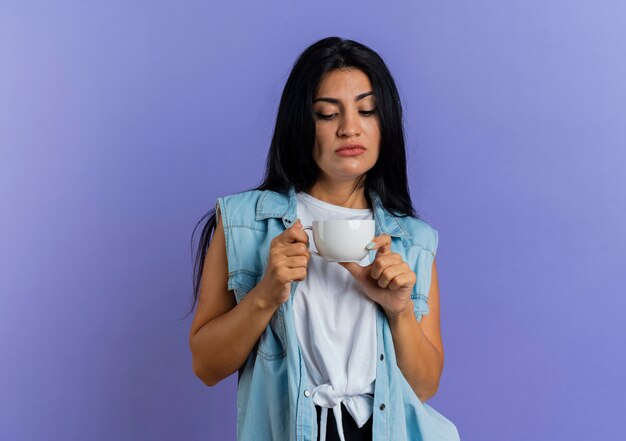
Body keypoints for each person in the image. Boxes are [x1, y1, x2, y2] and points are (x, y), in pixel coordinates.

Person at [188, 37, 460, 441]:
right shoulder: (245, 223)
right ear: (302, 124)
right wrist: (266, 293)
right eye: (328, 114)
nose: (350, 127)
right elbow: (206, 366)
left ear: (384, 124)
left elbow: (423, 387)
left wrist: (399, 310)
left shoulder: (413, 241)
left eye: (367, 110)